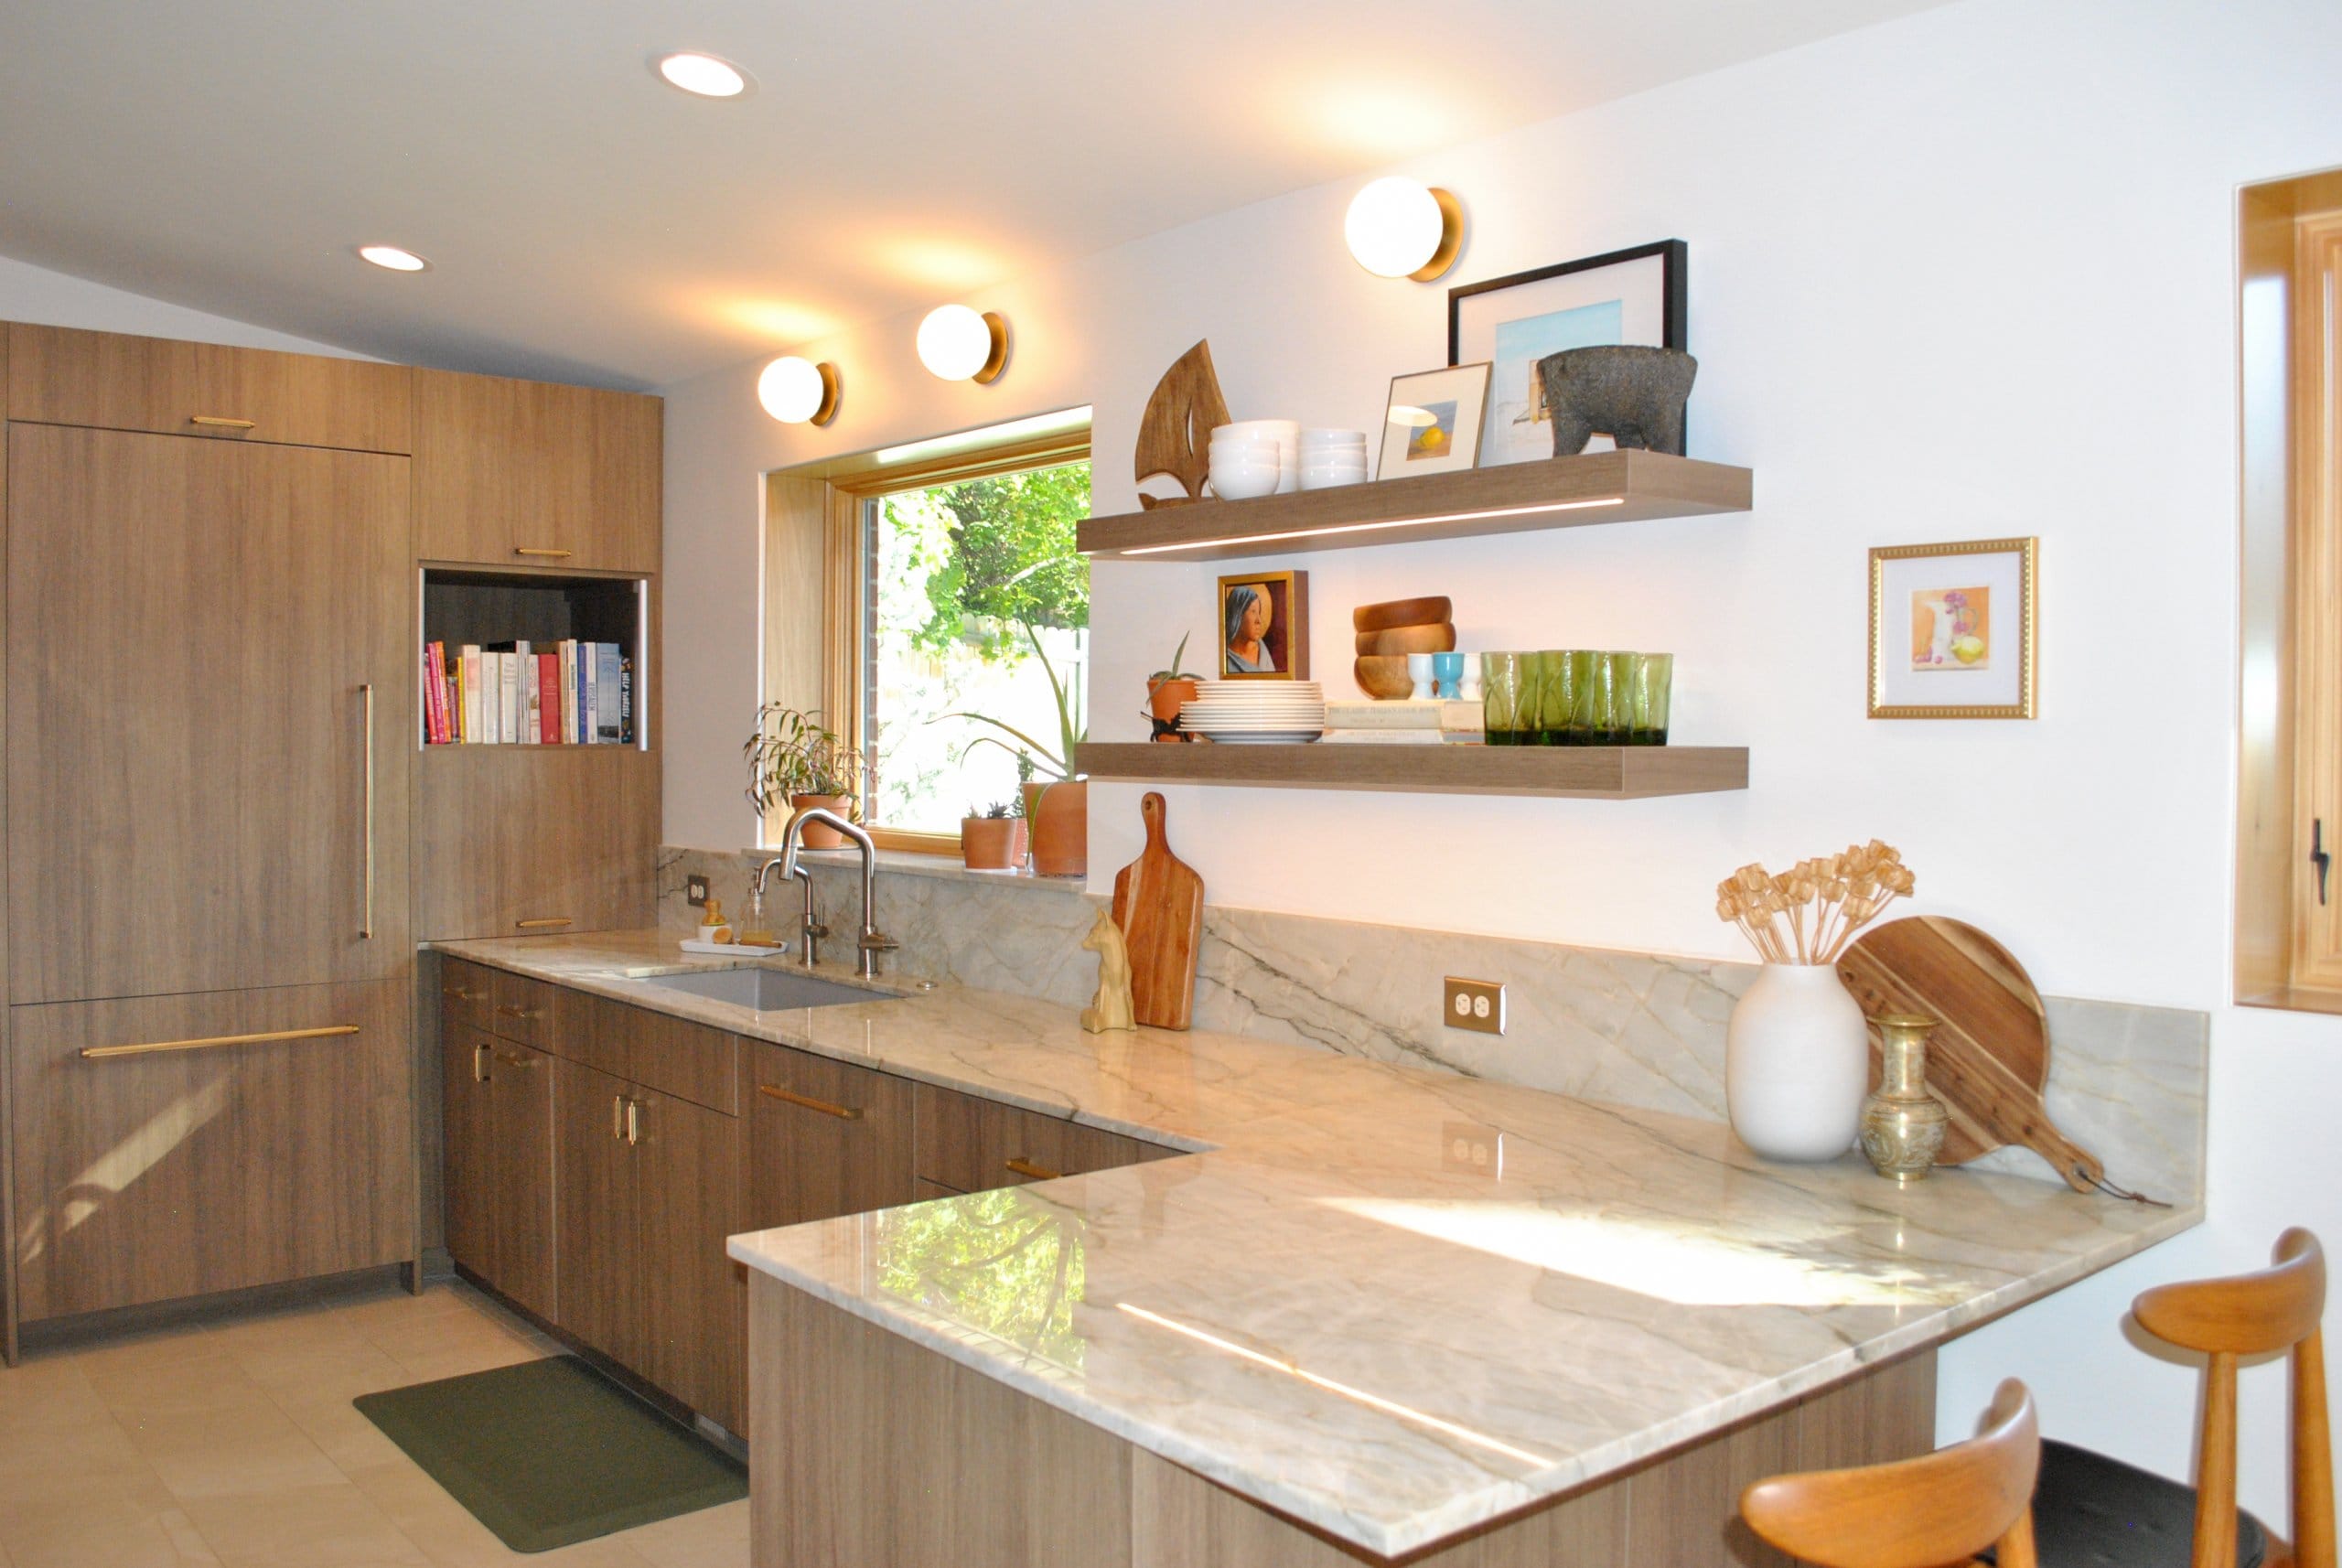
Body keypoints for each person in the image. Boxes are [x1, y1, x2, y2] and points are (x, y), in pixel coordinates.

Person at [1224, 584, 1275, 673]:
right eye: (1253, 611)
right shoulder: (1226, 659)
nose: (1259, 620)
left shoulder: (1262, 651)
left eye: (1259, 612)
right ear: (1238, 615)